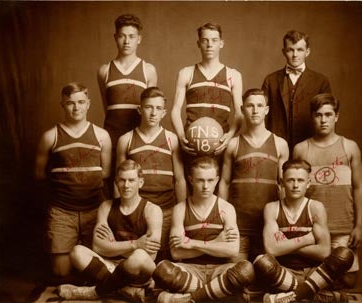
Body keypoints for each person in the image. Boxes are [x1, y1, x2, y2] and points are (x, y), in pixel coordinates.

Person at [34, 82, 112, 280]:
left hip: (94, 209)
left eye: (80, 102)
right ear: (62, 105)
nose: (76, 108)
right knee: (62, 272)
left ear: (88, 104)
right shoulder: (50, 137)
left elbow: (105, 174)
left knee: (93, 267)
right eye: (70, 103)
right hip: (62, 211)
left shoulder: (102, 136)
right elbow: (40, 176)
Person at [152, 156, 255, 303]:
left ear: (217, 180)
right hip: (190, 270)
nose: (206, 186)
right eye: (200, 180)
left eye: (210, 180)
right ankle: (216, 293)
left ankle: (190, 299)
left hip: (220, 270)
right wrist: (217, 242)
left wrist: (192, 243)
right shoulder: (180, 209)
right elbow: (176, 253)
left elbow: (232, 250)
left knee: (246, 269)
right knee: (163, 269)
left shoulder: (226, 208)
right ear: (191, 180)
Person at [57, 160, 163, 301]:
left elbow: (151, 254)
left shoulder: (152, 210)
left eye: (131, 180)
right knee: (77, 252)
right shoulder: (106, 207)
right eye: (122, 180)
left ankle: (95, 291)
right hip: (111, 265)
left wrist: (112, 247)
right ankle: (124, 289)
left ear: (141, 182)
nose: (126, 185)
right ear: (116, 182)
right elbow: (97, 247)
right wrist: (135, 244)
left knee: (138, 257)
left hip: (138, 269)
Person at [253, 159, 354, 303]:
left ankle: (293, 296)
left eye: (300, 180)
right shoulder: (272, 208)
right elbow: (271, 250)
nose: (295, 185)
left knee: (344, 254)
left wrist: (286, 244)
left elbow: (324, 251)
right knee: (261, 262)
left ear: (308, 183)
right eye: (290, 180)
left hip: (315, 272)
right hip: (285, 272)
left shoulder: (315, 208)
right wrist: (306, 239)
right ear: (282, 183)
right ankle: (312, 294)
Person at [293, 93, 362, 290]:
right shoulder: (301, 149)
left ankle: (316, 289)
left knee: (349, 279)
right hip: (312, 228)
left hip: (341, 225)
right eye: (318, 115)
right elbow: (294, 192)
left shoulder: (350, 147)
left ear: (337, 116)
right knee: (309, 272)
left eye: (328, 114)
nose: (323, 120)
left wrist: (358, 225)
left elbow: (359, 187)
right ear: (312, 117)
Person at [116, 86, 187, 262]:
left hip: (167, 209)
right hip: (137, 211)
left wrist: (183, 212)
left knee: (167, 260)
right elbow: (118, 180)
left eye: (158, 108)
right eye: (149, 107)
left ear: (164, 112)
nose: (153, 113)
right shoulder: (126, 140)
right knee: (140, 258)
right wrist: (120, 212)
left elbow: (179, 180)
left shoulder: (171, 139)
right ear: (140, 110)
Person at [219, 88, 289, 261]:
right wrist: (221, 218)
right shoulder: (233, 144)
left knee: (266, 273)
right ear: (243, 110)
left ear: (266, 110)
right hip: (238, 223)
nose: (255, 110)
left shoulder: (280, 144)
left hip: (268, 224)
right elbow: (224, 182)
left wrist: (284, 221)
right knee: (237, 273)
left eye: (259, 105)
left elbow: (284, 186)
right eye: (250, 106)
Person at [98, 14, 157, 195]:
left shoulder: (148, 69)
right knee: (114, 184)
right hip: (112, 136)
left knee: (139, 181)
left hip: (138, 135)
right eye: (122, 36)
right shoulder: (104, 70)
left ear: (139, 39)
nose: (126, 41)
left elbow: (152, 104)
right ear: (116, 37)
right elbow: (107, 105)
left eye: (131, 36)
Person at [171, 22, 243, 158]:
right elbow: (175, 110)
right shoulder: (186, 73)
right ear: (198, 43)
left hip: (220, 145)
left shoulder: (233, 75)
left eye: (214, 40)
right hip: (191, 145)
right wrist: (181, 136)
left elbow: (239, 113)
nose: (210, 45)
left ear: (221, 43)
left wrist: (230, 135)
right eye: (205, 40)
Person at [262, 30, 331, 150]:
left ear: (307, 51)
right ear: (284, 52)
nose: (295, 55)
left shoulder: (320, 81)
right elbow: (263, 116)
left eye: (300, 50)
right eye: (290, 50)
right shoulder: (270, 80)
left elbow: (327, 116)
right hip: (277, 147)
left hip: (310, 146)